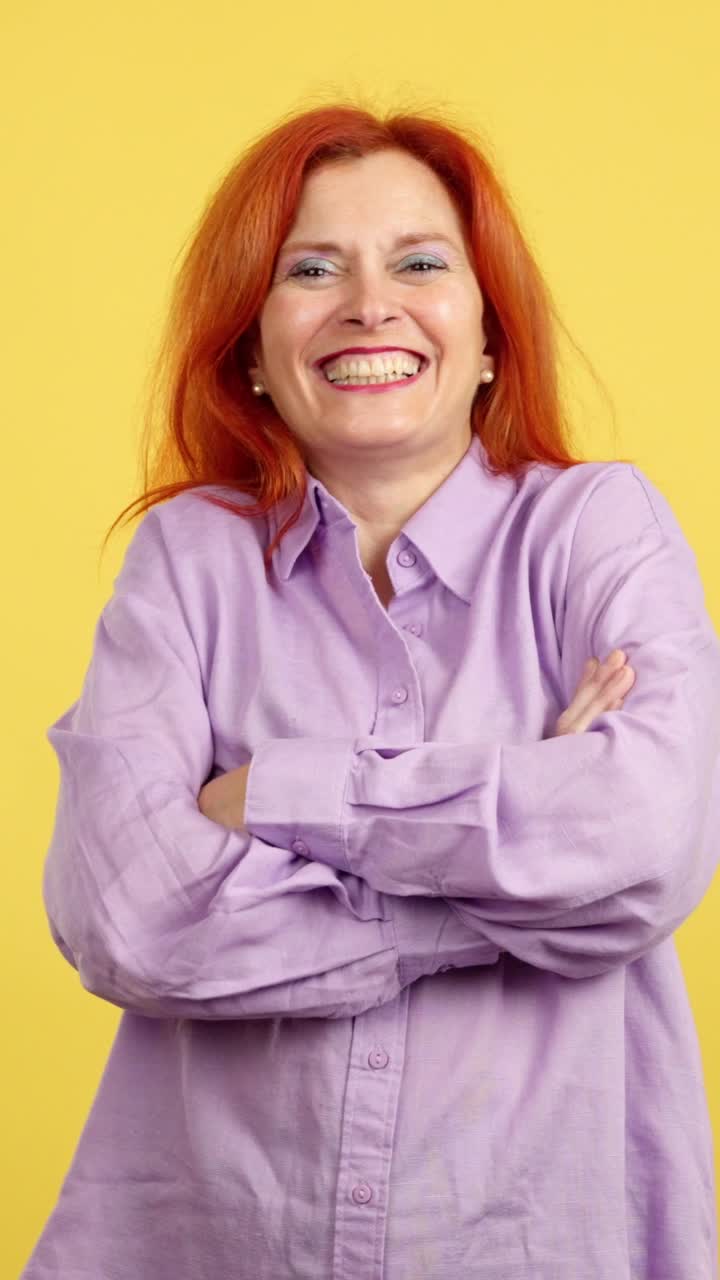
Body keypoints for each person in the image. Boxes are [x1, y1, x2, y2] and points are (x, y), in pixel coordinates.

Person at [22, 102, 720, 1280]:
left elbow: (648, 839)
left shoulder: (599, 526)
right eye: (312, 268)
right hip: (211, 1242)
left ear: (490, 332)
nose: (369, 304)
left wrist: (282, 793)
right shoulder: (188, 560)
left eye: (419, 261)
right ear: (253, 346)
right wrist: (516, 889)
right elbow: (124, 915)